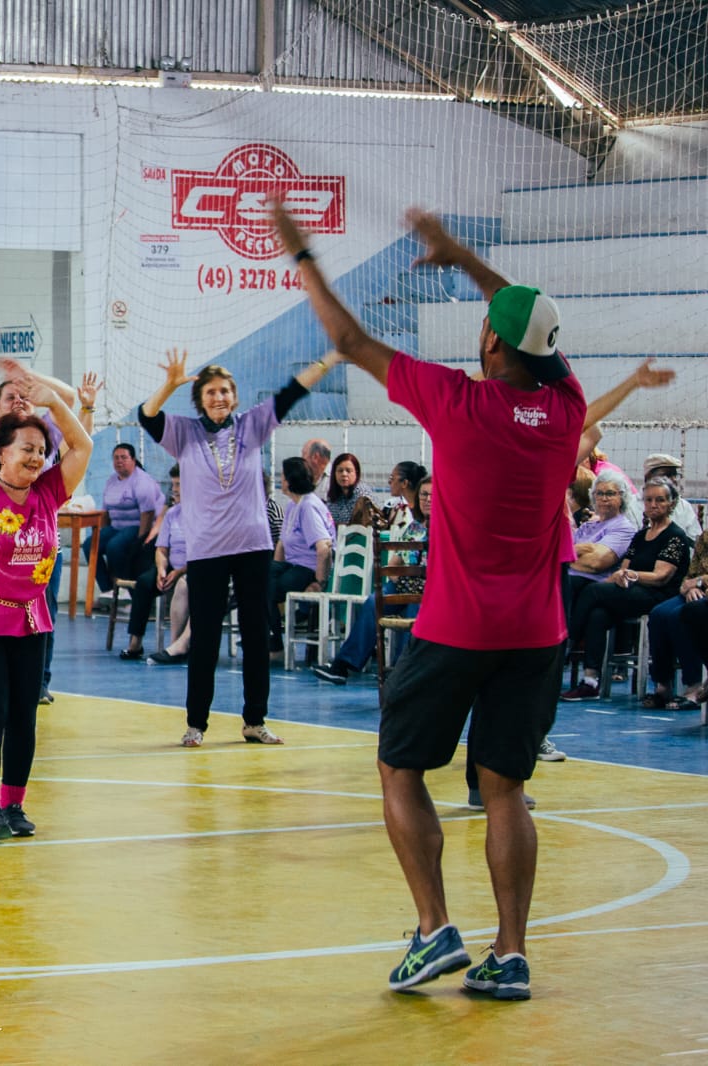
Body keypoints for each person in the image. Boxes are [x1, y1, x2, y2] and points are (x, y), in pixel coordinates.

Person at [274, 197, 584, 1000]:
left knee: (400, 766)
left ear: (488, 340)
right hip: (538, 633)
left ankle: (433, 928)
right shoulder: (565, 407)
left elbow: (348, 341)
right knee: (505, 787)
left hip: (453, 630)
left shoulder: (459, 403)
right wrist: (475, 268)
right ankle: (510, 953)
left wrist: (303, 257)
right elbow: (523, 321)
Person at [138, 348, 342, 748]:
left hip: (253, 548)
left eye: (225, 391)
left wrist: (328, 362)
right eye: (211, 391)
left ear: (235, 396)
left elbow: (290, 393)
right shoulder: (184, 433)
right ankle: (196, 723)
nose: (219, 397)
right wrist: (169, 384)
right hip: (207, 551)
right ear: (201, 399)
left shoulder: (252, 426)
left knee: (255, 633)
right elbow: (147, 416)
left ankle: (254, 721)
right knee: (206, 638)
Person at [0, 353, 92, 842]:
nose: (35, 457)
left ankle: (14, 806)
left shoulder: (50, 491)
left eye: (39, 450)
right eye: (25, 448)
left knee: (24, 717)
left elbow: (81, 443)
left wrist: (55, 403)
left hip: (31, 620)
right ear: (1, 452)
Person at [562, 478, 691, 701]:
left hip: (657, 595)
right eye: (649, 500)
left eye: (660, 500)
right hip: (633, 590)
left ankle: (566, 643)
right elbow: (624, 568)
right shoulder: (641, 536)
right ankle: (591, 681)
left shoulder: (674, 536)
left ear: (671, 504)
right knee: (597, 614)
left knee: (592, 591)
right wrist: (621, 576)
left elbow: (661, 576)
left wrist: (631, 576)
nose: (653, 505)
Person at [312, 476, 432, 685]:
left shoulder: (446, 529)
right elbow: (394, 563)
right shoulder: (414, 528)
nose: (427, 499)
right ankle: (342, 667)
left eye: (433, 495)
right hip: (401, 583)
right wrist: (398, 572)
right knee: (372, 602)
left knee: (414, 607)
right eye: (423, 494)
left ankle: (400, 671)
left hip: (428, 589)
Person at [268, 456, 335, 654]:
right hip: (292, 566)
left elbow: (324, 548)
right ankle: (272, 636)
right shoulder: (292, 505)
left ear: (290, 481)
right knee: (256, 578)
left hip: (309, 569)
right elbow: (281, 545)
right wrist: (273, 569)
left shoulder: (308, 506)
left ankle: (274, 639)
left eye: (283, 477)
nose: (281, 481)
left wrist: (319, 582)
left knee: (262, 587)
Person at [123, 466, 189, 663]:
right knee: (144, 582)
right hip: (169, 566)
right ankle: (135, 642)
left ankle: (177, 644)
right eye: (173, 485)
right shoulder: (172, 514)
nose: (175, 489)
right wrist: (161, 569)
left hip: (191, 567)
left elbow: (203, 553)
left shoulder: (202, 514)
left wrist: (178, 573)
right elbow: (161, 548)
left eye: (179, 485)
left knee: (184, 584)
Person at [645, 524, 708, 709]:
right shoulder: (705, 538)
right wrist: (691, 587)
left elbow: (698, 578)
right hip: (696, 591)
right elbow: (691, 573)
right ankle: (663, 684)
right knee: (658, 614)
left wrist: (699, 582)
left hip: (703, 593)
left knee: (679, 616)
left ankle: (694, 684)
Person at [89, 443, 162, 593]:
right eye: (116, 458)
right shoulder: (111, 481)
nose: (119, 461)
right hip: (117, 527)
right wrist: (104, 532)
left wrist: (140, 542)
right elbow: (105, 512)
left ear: (133, 460)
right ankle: (108, 590)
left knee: (114, 546)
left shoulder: (142, 481)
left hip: (138, 526)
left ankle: (126, 592)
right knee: (90, 544)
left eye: (124, 457)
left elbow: (148, 514)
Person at [565, 470, 639, 616]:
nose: (604, 498)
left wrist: (565, 558)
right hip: (570, 576)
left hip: (590, 581)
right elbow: (561, 552)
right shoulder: (587, 526)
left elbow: (596, 563)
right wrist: (583, 550)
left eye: (610, 493)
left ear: (622, 497)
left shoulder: (623, 527)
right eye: (599, 493)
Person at [640, 453, 701, 539]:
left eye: (675, 475)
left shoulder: (684, 506)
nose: (674, 480)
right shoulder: (632, 505)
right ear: (648, 477)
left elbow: (694, 540)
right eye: (667, 475)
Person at [324, 452, 375, 526]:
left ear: (356, 473)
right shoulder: (333, 495)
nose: (344, 474)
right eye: (340, 471)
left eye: (348, 471)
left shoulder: (362, 494)